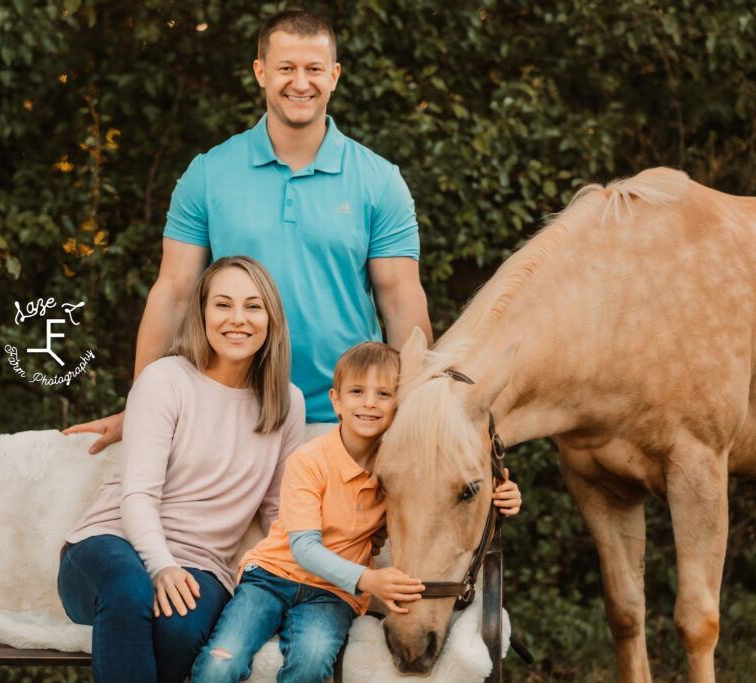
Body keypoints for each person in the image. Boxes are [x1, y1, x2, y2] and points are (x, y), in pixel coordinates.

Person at [66, 9, 432, 451]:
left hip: (345, 424)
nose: (301, 82)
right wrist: (141, 406)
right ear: (260, 72)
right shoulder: (208, 174)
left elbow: (400, 300)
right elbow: (174, 293)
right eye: (286, 68)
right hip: (227, 416)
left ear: (334, 76)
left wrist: (420, 410)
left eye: (314, 69)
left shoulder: (379, 180)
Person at [189, 342, 523, 682]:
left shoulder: (400, 470)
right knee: (222, 662)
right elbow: (303, 548)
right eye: (357, 391)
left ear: (399, 404)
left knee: (311, 663)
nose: (369, 403)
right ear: (336, 400)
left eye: (383, 394)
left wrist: (505, 495)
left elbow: (455, 492)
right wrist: (370, 580)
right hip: (271, 578)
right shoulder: (309, 461)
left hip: (332, 595)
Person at [58, 256, 306, 683]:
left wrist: (314, 562)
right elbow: (138, 494)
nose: (238, 319)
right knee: (130, 592)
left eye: (253, 306)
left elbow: (276, 509)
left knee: (178, 629)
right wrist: (161, 567)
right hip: (110, 545)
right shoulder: (164, 379)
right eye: (223, 305)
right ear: (203, 313)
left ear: (271, 319)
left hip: (203, 563)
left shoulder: (287, 402)